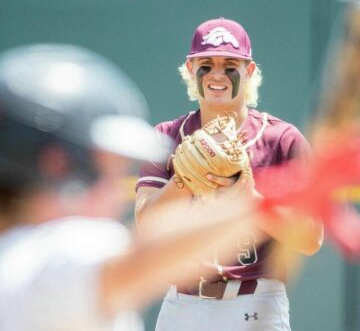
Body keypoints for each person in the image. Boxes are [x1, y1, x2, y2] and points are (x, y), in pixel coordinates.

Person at [0, 43, 259, 331]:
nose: (118, 193)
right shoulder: (38, 261)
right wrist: (276, 199)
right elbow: (143, 257)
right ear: (57, 166)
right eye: (112, 172)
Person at [135, 17, 324, 330]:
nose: (217, 75)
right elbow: (146, 227)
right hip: (184, 304)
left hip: (256, 302)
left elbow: (311, 237)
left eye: (229, 64)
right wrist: (183, 180)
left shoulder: (282, 139)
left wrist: (249, 197)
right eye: (206, 64)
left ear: (248, 72)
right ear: (190, 70)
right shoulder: (167, 136)